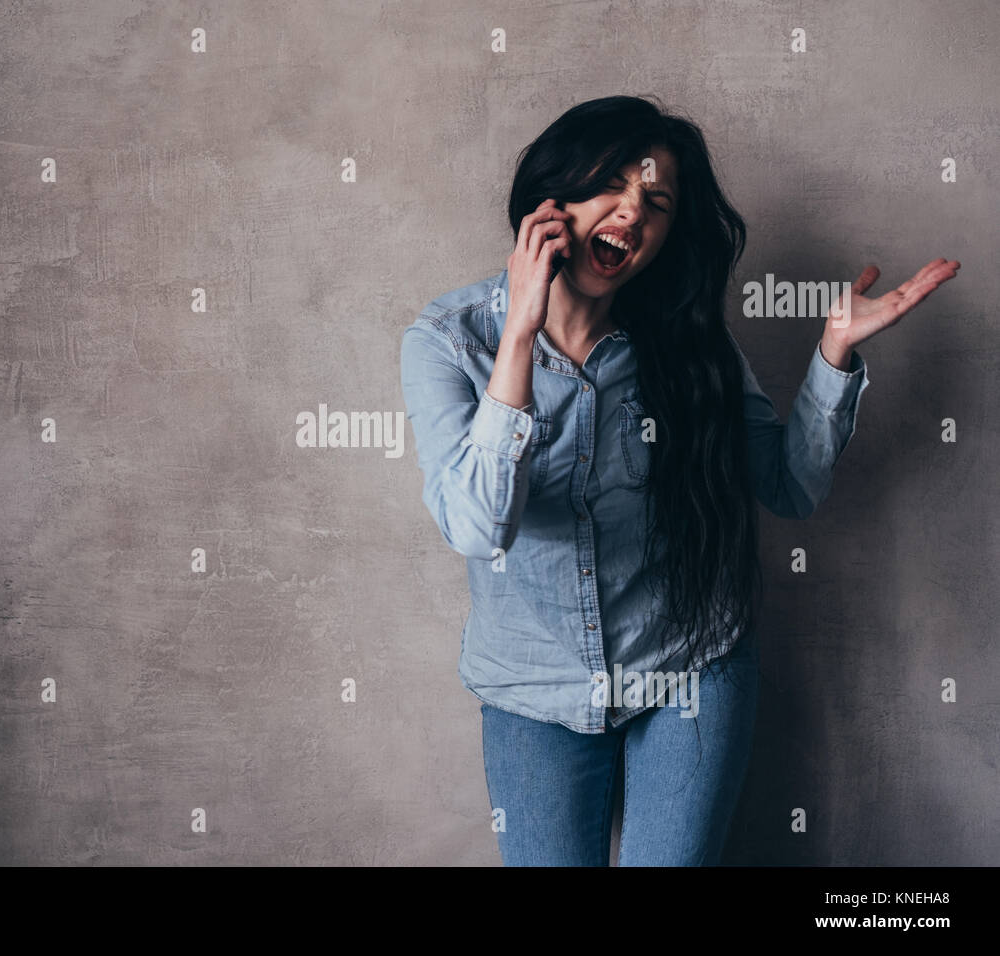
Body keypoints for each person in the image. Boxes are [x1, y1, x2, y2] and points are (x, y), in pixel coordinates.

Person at [399, 95, 959, 866]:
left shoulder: (688, 342)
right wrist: (521, 337)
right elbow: (476, 525)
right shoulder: (449, 341)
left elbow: (790, 487)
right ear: (552, 200)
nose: (632, 211)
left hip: (688, 668)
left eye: (656, 202)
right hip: (535, 694)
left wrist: (833, 356)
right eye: (611, 185)